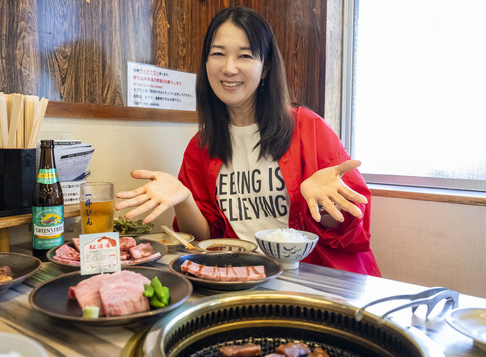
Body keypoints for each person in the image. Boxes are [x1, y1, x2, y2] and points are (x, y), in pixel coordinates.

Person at [115, 6, 380, 276]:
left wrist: (324, 205)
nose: (229, 68)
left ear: (265, 67)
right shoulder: (201, 147)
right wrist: (184, 200)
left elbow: (353, 232)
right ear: (206, 63)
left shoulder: (309, 128)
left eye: (245, 55)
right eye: (218, 54)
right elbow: (203, 240)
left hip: (317, 285)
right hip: (245, 282)